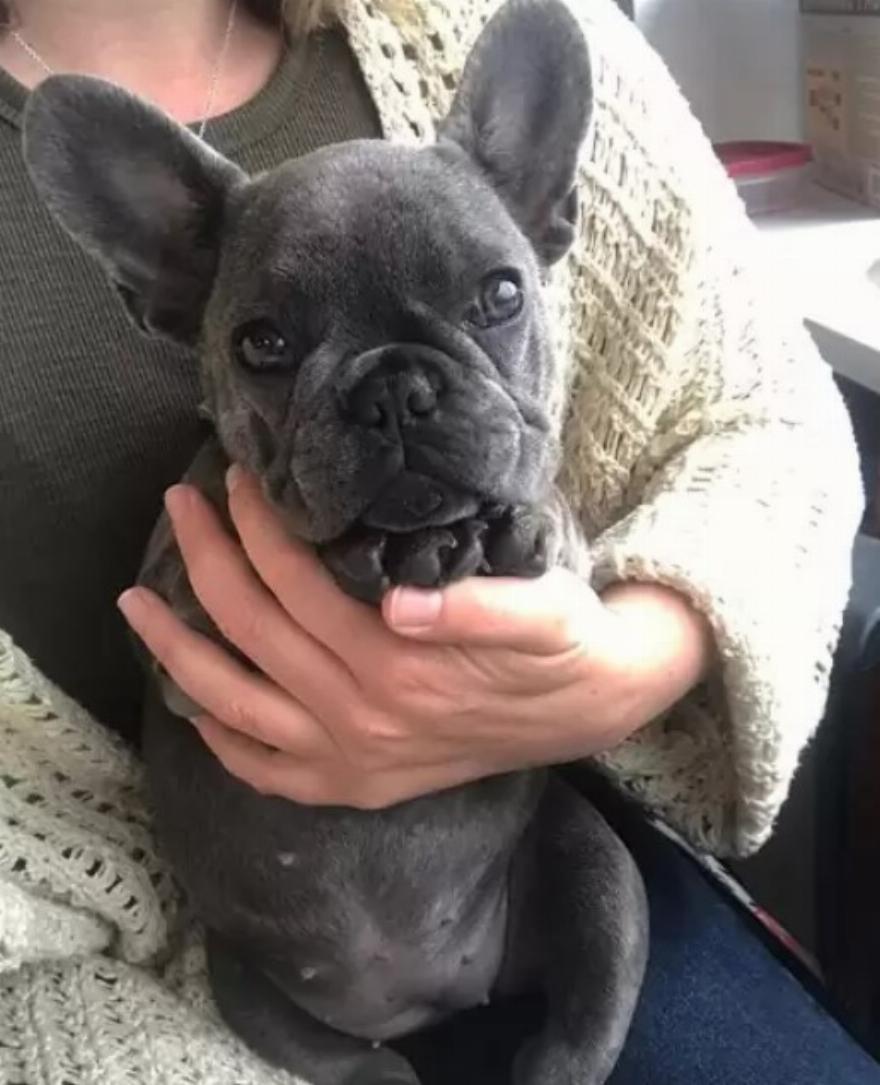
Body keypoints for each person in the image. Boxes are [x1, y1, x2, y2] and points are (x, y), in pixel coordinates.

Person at [0, 0, 875, 1082]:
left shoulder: (456, 19)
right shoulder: (206, 484)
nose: (399, 404)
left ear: (547, 211)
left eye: (493, 298)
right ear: (165, 288)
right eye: (271, 345)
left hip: (518, 867)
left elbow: (771, 420)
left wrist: (629, 665)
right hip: (198, 956)